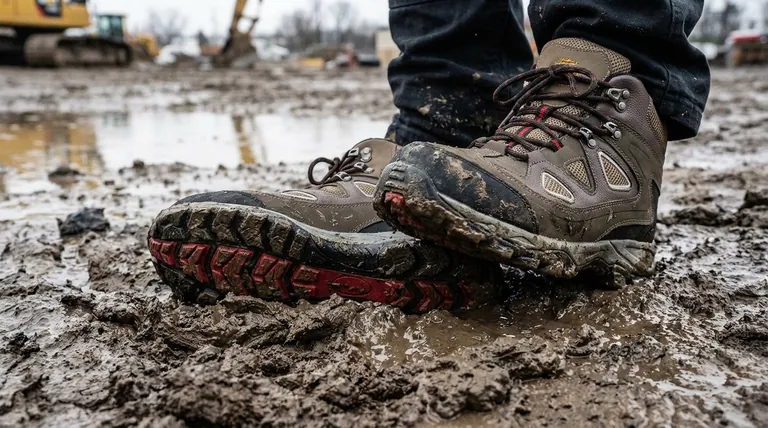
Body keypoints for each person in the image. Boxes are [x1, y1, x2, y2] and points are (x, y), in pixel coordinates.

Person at [148, 0, 710, 312]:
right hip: (455, 124)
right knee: (432, 139)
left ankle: (603, 95)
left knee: (607, 38)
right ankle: (445, 132)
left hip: (611, 85)